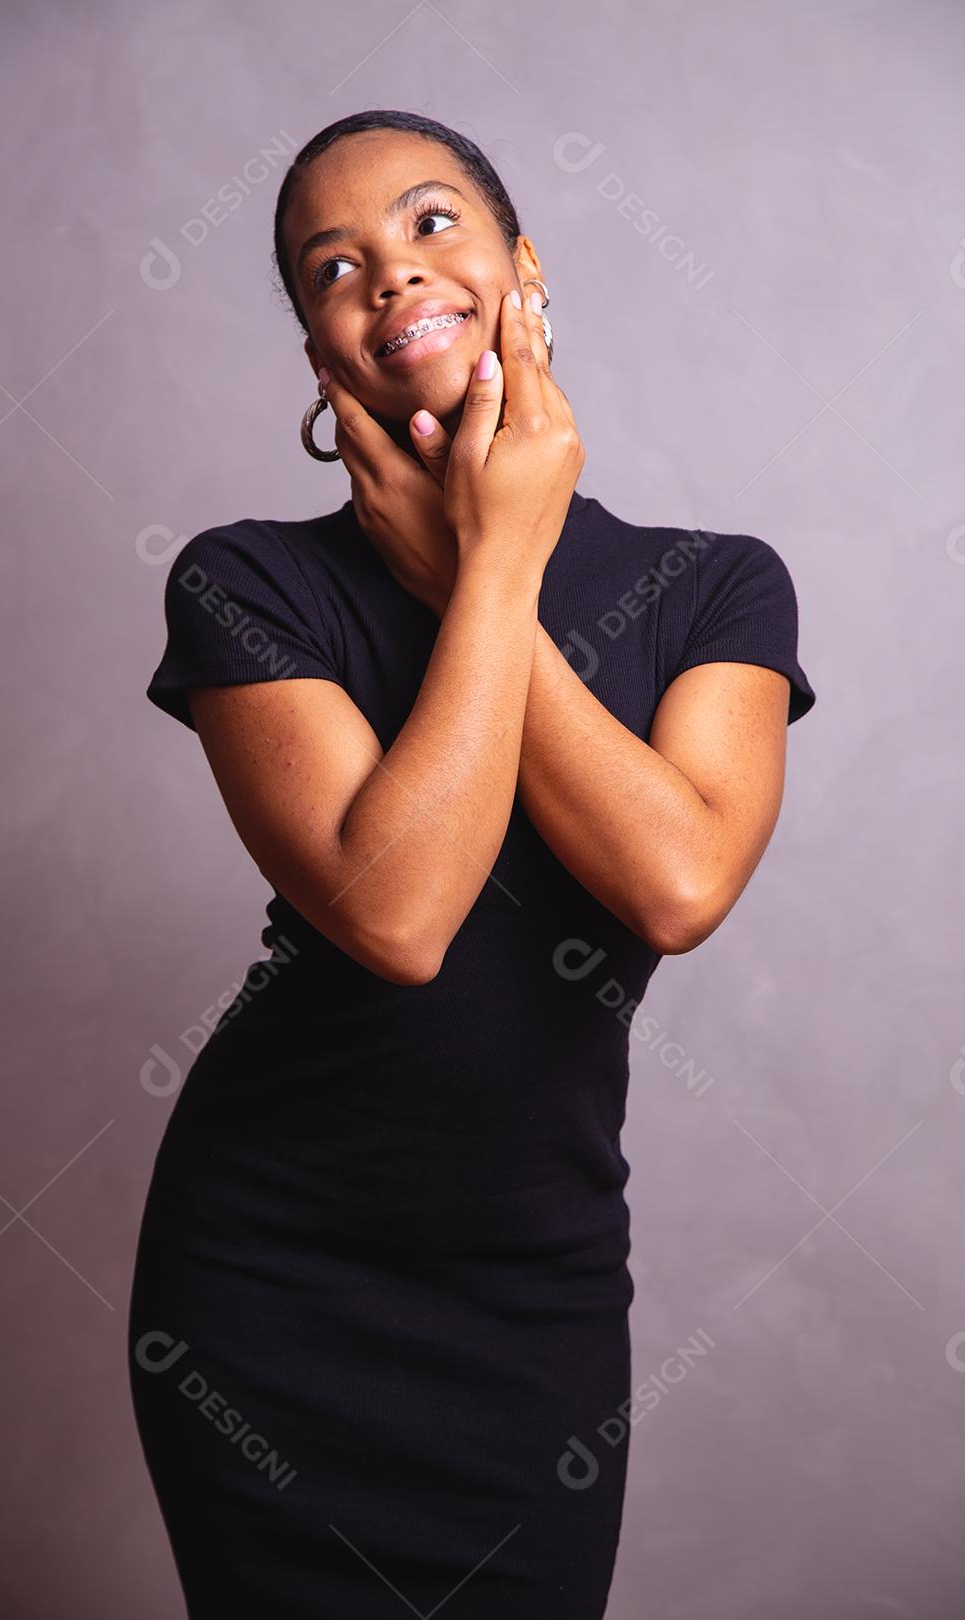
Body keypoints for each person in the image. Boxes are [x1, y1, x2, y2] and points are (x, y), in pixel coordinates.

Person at [127, 108, 816, 1619]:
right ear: (317, 346)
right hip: (270, 1282)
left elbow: (676, 885)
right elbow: (397, 914)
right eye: (335, 265)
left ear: (525, 269)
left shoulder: (711, 587)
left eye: (432, 226)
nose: (390, 275)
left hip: (535, 1285)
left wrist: (478, 565)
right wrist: (493, 567)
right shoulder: (248, 581)